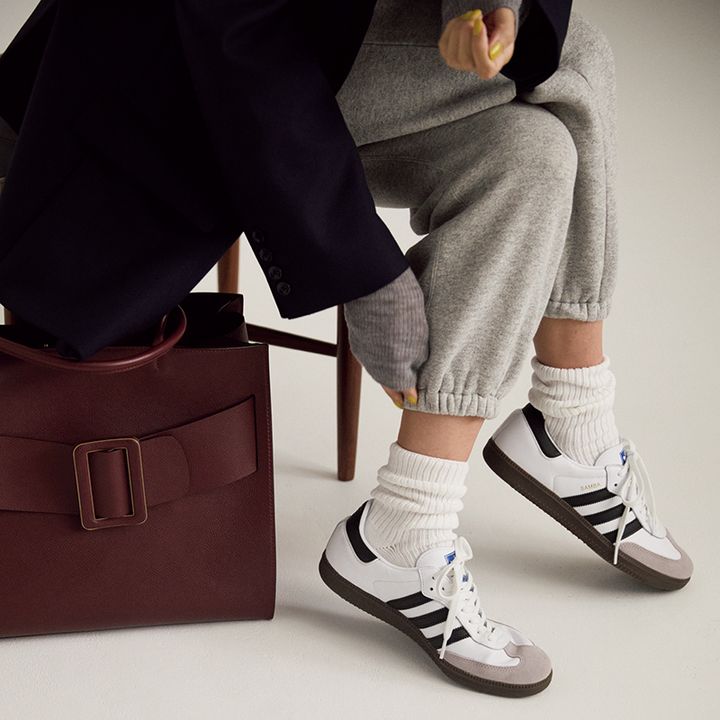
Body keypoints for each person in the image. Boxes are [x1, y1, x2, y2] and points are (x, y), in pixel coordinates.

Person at [319, 0, 693, 697]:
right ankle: (570, 418)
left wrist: (482, 6)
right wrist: (360, 276)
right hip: (244, 65)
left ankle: (409, 517)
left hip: (345, 54)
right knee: (577, 52)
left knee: (535, 154)